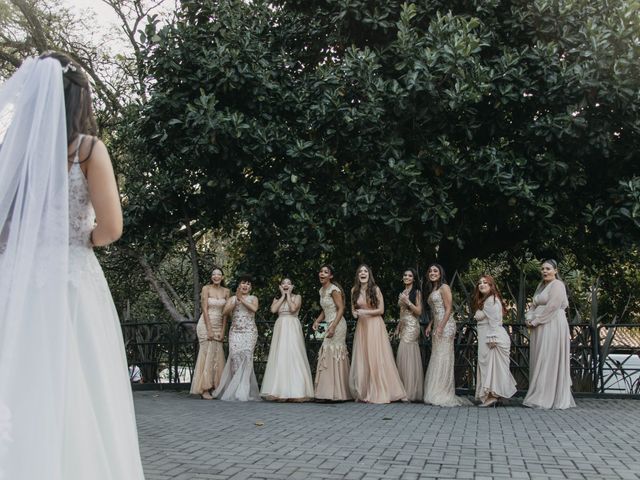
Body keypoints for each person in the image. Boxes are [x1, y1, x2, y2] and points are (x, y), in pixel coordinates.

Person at [0, 53, 145, 479]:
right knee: (79, 384)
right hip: (69, 280)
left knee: (21, 380)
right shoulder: (86, 150)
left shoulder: (12, 154)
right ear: (78, 98)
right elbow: (112, 227)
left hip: (16, 282)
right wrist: (82, 237)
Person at [349, 265, 407, 403]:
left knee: (376, 357)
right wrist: (355, 314)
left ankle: (380, 390)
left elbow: (381, 310)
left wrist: (365, 312)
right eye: (360, 271)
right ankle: (365, 391)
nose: (363, 273)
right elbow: (353, 309)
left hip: (375, 325)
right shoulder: (354, 290)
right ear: (357, 275)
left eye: (365, 271)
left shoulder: (375, 289)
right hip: (362, 326)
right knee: (363, 358)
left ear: (369, 275)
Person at [523, 260, 576, 409]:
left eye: (548, 268)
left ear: (555, 270)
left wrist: (537, 320)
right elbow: (533, 305)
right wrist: (529, 317)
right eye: (542, 269)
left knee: (548, 357)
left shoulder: (558, 285)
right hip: (539, 326)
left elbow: (553, 306)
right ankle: (538, 393)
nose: (545, 271)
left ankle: (547, 396)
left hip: (552, 324)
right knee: (539, 356)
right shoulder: (541, 286)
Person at [423, 264, 471, 407]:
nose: (432, 273)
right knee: (437, 356)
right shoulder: (433, 289)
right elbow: (436, 310)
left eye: (435, 271)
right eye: (430, 271)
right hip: (437, 324)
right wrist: (431, 324)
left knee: (443, 356)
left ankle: (442, 392)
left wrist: (441, 326)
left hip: (446, 325)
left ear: (440, 273)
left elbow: (448, 308)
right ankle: (435, 390)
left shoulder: (444, 287)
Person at [261, 278, 314, 401]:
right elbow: (273, 310)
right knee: (280, 355)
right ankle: (278, 390)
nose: (286, 285)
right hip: (280, 326)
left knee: (294, 354)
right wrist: (282, 296)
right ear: (280, 286)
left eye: (288, 283)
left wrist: (288, 295)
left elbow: (293, 309)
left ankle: (297, 390)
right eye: (283, 283)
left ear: (292, 286)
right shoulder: (276, 298)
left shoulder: (297, 297)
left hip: (292, 325)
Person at [212, 275, 260, 401]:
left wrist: (242, 299)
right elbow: (225, 312)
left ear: (251, 287)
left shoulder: (253, 298)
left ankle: (245, 390)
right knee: (235, 357)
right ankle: (235, 388)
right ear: (239, 285)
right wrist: (235, 300)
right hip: (235, 332)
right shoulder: (233, 298)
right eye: (243, 283)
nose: (245, 286)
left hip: (250, 331)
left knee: (247, 356)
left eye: (248, 284)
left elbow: (254, 309)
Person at [472, 275, 517, 407]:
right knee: (489, 366)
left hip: (492, 337)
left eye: (485, 283)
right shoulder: (487, 300)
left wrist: (493, 338)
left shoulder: (491, 300)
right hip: (487, 335)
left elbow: (495, 321)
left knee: (492, 366)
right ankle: (494, 395)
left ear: (491, 285)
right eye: (479, 283)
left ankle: (493, 396)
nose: (481, 285)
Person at [312, 265, 352, 401]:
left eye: (325, 272)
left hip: (338, 323)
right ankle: (328, 392)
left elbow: (341, 308)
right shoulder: (321, 290)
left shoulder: (334, 290)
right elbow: (325, 309)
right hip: (328, 322)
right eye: (321, 271)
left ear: (331, 276)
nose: (322, 274)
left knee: (334, 353)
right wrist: (317, 321)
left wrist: (334, 326)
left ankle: (338, 392)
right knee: (327, 353)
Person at [190, 267, 229, 399]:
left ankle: (214, 386)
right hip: (205, 324)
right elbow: (205, 309)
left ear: (222, 277)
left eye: (219, 274)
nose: (216, 276)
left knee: (217, 355)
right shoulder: (206, 289)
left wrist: (223, 331)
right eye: (214, 274)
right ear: (211, 277)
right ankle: (204, 389)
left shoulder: (226, 291)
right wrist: (210, 329)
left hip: (219, 323)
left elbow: (225, 314)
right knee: (206, 354)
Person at [394, 268, 424, 402]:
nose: (407, 277)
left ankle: (410, 391)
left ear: (414, 279)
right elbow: (402, 312)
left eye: (410, 275)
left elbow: (418, 311)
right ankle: (403, 389)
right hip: (404, 325)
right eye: (405, 275)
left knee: (407, 354)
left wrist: (408, 302)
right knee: (402, 355)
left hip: (412, 326)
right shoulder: (403, 292)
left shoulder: (416, 292)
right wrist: (398, 326)